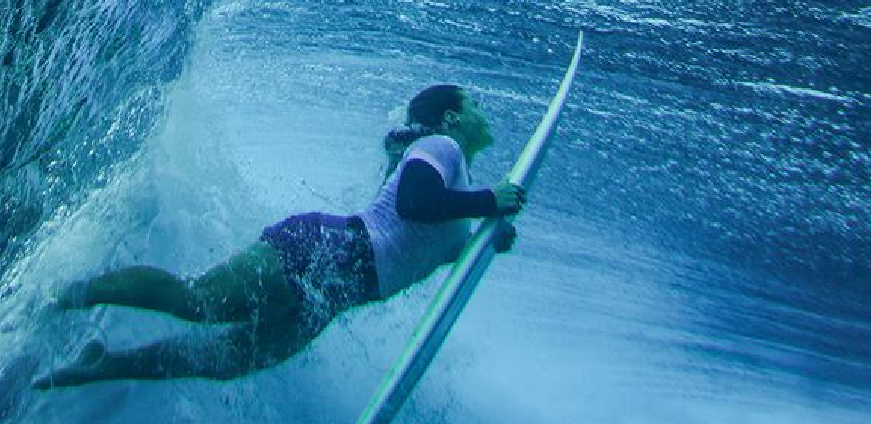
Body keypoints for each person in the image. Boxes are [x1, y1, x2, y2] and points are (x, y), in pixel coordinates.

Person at [35, 84, 525, 388]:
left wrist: (485, 240)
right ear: (453, 117)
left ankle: (101, 365)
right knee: (199, 301)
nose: (485, 112)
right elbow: (413, 204)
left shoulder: (456, 187)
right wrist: (489, 201)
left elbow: (427, 236)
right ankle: (75, 291)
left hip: (334, 294)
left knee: (220, 360)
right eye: (475, 103)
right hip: (318, 252)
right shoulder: (440, 147)